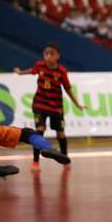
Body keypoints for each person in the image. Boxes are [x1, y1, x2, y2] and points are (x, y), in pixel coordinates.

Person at [14, 42, 84, 171]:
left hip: (56, 107)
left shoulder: (62, 71)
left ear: (58, 56)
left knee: (60, 134)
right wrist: (20, 73)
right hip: (40, 104)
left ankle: (65, 157)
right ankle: (35, 161)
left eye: (51, 54)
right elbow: (32, 70)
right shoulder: (40, 65)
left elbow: (68, 89)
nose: (48, 56)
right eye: (46, 53)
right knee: (39, 131)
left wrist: (77, 104)